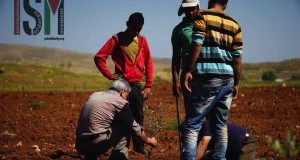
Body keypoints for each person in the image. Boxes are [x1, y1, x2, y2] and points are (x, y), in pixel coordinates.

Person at [180, 0, 243, 159]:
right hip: (228, 79)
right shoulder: (235, 24)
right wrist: (236, 83)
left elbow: (197, 44)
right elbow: (237, 59)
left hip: (207, 78)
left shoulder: (203, 16)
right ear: (226, 4)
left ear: (209, 1)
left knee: (192, 125)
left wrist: (187, 70)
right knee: (220, 127)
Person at [94, 12, 153, 154]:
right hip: (121, 84)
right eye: (134, 28)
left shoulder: (143, 41)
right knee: (117, 115)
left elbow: (149, 63)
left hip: (137, 84)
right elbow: (99, 57)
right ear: (127, 24)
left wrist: (148, 85)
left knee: (138, 116)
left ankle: (139, 148)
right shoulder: (116, 39)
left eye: (139, 29)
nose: (136, 32)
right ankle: (109, 145)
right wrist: (109, 75)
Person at [75, 78, 157, 160]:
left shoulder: (95, 94)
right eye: (127, 95)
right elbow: (134, 127)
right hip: (95, 145)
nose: (126, 98)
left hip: (79, 145)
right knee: (126, 126)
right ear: (122, 92)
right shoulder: (120, 102)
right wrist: (148, 140)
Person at [171, 0, 200, 112]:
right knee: (191, 113)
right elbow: (176, 57)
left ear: (198, 8)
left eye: (193, 9)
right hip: (188, 76)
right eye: (187, 9)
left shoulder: (206, 24)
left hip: (207, 74)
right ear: (183, 10)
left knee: (209, 116)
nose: (190, 12)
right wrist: (176, 80)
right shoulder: (179, 30)